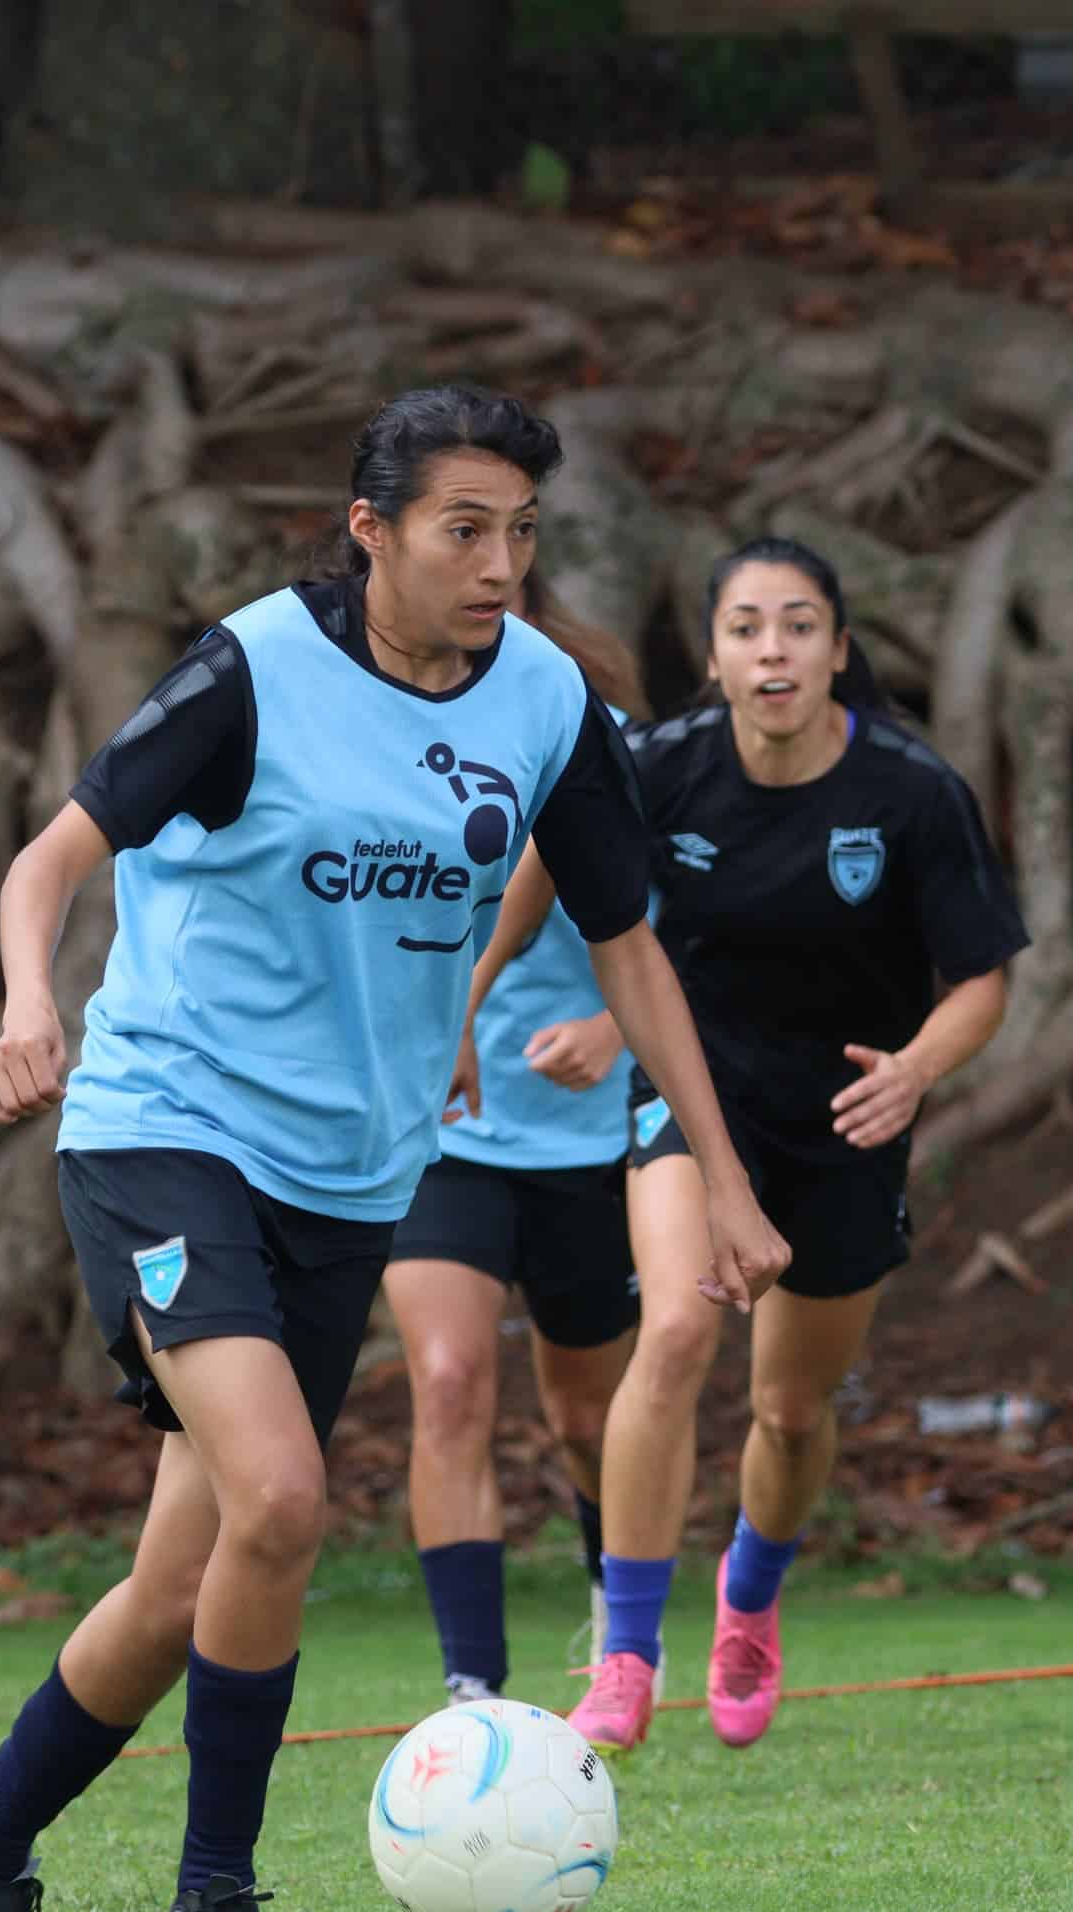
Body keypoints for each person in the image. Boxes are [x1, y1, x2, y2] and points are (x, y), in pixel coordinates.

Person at [0, 386, 789, 1912]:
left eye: (523, 531)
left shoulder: (545, 703)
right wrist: (31, 1007)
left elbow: (633, 942)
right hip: (167, 1129)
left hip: (352, 1175)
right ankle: (215, 1902)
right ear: (369, 531)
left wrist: (720, 1177)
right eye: (465, 528)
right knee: (289, 1500)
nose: (500, 563)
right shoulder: (253, 674)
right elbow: (48, 861)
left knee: (186, 1582)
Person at [458, 537, 1027, 1754]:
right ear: (713, 656)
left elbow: (981, 980)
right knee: (670, 1331)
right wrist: (473, 995)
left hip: (842, 1120)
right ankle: (625, 1650)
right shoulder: (660, 764)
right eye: (747, 627)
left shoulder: (911, 792)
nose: (774, 649)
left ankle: (751, 1597)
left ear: (838, 649)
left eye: (800, 625)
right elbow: (553, 867)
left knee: (789, 1407)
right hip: (695, 1096)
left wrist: (918, 1068)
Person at [389, 577, 649, 1706]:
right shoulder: (380, 742)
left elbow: (678, 934)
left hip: (588, 1138)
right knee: (447, 1380)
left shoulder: (605, 743)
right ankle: (473, 1690)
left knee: (588, 1416)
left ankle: (617, 1608)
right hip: (440, 1130)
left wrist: (610, 1024)